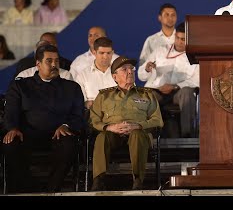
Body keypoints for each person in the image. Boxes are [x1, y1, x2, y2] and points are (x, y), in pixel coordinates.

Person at [2, 44, 84, 193]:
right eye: (49, 61)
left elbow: (78, 115)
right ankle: (30, 188)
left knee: (69, 145)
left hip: (58, 134)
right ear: (38, 64)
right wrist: (13, 128)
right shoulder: (20, 85)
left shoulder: (72, 88)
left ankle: (52, 189)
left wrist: (66, 125)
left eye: (57, 61)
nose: (54, 65)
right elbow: (10, 111)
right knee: (10, 144)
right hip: (28, 134)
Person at [89, 56, 163, 191]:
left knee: (136, 134)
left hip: (139, 133)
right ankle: (98, 180)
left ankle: (138, 180)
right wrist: (109, 127)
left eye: (132, 69)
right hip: (113, 134)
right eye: (124, 69)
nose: (130, 71)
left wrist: (139, 126)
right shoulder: (104, 96)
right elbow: (93, 120)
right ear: (115, 76)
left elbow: (157, 120)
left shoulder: (146, 94)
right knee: (102, 137)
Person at [138, 22, 198, 138]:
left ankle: (187, 136)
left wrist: (175, 86)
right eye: (177, 37)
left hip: (178, 92)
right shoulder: (160, 51)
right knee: (147, 96)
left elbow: (197, 79)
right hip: (158, 90)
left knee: (187, 92)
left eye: (183, 39)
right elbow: (141, 76)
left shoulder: (194, 55)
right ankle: (147, 136)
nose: (180, 41)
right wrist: (146, 69)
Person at [74, 37, 117, 109]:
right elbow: (78, 102)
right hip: (93, 116)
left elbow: (131, 97)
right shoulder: (83, 75)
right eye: (102, 53)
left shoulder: (122, 73)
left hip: (118, 116)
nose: (105, 57)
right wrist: (86, 104)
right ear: (94, 53)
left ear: (112, 53)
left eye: (108, 53)